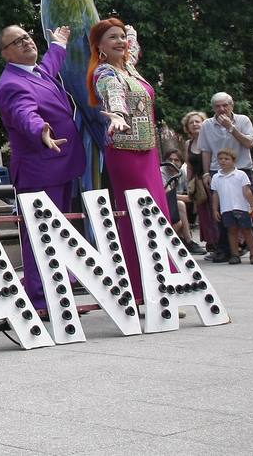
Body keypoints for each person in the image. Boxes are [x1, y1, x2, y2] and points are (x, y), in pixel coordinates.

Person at [0, 23, 86, 311]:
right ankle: (40, 300)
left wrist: (58, 43)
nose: (26, 43)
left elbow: (50, 62)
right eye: (17, 42)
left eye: (27, 37)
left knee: (57, 232)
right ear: (6, 54)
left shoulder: (37, 72)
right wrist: (40, 131)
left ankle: (58, 290)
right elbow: (24, 113)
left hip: (59, 166)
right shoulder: (11, 84)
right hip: (40, 171)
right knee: (40, 236)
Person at [88, 18, 171, 299]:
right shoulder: (105, 73)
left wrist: (128, 30)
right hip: (126, 154)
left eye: (122, 37)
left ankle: (164, 284)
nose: (121, 42)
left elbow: (133, 43)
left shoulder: (130, 67)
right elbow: (115, 98)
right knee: (140, 218)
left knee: (159, 215)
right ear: (99, 46)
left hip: (148, 152)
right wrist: (118, 116)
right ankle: (143, 289)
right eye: (112, 38)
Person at [198, 94, 253, 261]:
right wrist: (206, 172)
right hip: (218, 171)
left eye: (225, 105)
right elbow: (206, 150)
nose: (221, 109)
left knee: (249, 211)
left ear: (232, 105)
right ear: (213, 108)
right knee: (223, 213)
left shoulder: (243, 120)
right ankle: (226, 250)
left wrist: (231, 128)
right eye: (217, 106)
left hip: (242, 169)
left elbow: (249, 143)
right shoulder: (207, 125)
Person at [210, 151, 253, 264]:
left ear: (233, 161)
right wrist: (215, 209)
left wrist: (252, 206)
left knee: (247, 230)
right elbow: (215, 195)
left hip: (242, 208)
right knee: (232, 231)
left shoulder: (240, 174)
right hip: (226, 208)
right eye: (220, 159)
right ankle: (235, 254)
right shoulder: (216, 177)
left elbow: (247, 191)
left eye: (226, 159)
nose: (223, 161)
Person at [182, 110, 219, 254]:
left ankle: (221, 243)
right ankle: (211, 243)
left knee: (215, 212)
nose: (195, 124)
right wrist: (188, 184)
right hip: (198, 183)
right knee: (204, 215)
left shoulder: (210, 139)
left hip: (212, 181)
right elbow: (189, 165)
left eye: (198, 121)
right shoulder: (188, 143)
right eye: (191, 122)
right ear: (187, 127)